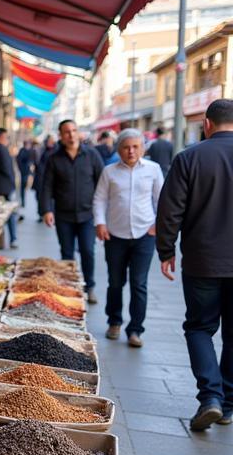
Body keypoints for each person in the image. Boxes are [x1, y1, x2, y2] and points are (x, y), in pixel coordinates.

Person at [155, 98, 233, 431]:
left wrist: (165, 250)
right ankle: (228, 405)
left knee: (200, 327)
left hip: (203, 260)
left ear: (207, 124)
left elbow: (169, 209)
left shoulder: (189, 157)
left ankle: (210, 397)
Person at [92, 129, 163, 347]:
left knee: (138, 283)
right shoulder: (109, 171)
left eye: (135, 147)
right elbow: (100, 199)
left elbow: (162, 199)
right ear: (119, 149)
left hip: (144, 235)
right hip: (115, 235)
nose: (131, 151)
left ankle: (135, 330)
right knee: (115, 282)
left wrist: (157, 225)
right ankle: (114, 321)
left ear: (142, 148)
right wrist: (100, 223)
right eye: (126, 147)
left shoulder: (153, 169)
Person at [39, 119, 104, 302]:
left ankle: (89, 287)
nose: (71, 134)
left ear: (79, 132)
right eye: (67, 132)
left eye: (74, 130)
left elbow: (103, 184)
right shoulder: (54, 158)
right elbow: (46, 187)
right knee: (67, 254)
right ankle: (69, 288)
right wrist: (46, 210)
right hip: (63, 215)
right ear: (61, 135)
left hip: (87, 215)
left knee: (87, 251)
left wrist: (103, 213)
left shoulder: (92, 155)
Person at [16, 139, 34, 211]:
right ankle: (23, 201)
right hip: (24, 172)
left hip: (27, 172)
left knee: (24, 187)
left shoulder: (28, 151)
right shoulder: (23, 151)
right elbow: (20, 161)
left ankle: (23, 201)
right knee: (23, 188)